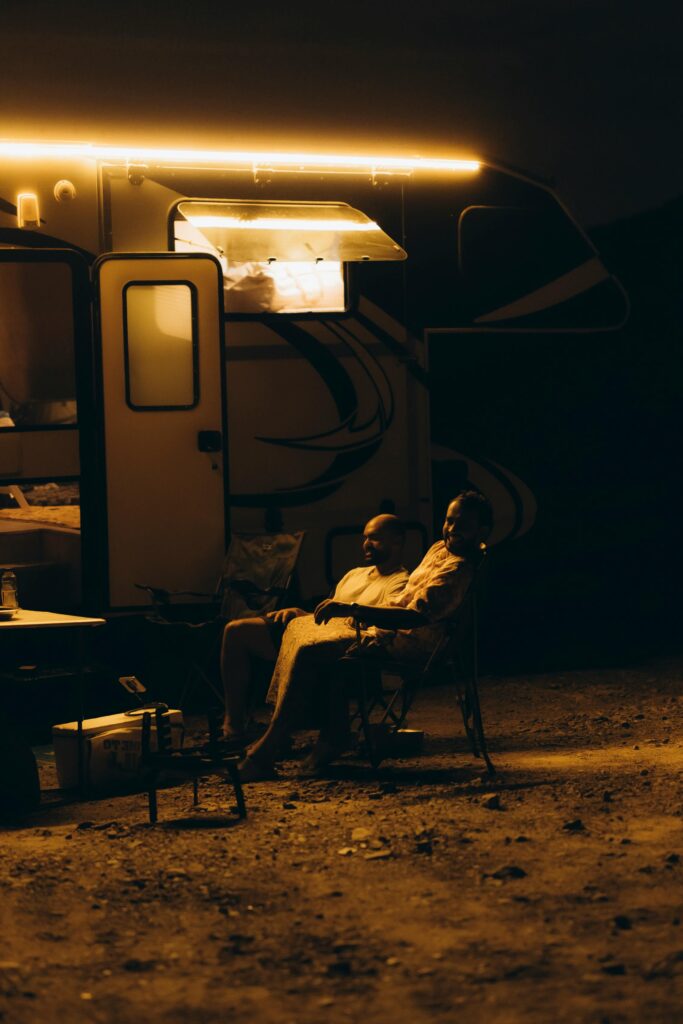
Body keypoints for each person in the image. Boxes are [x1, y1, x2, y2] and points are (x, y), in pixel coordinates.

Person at [238, 491, 493, 780]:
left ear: (482, 530)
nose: (452, 529)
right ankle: (322, 732)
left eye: (463, 524)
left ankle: (271, 747)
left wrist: (355, 610)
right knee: (300, 628)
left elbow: (415, 617)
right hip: (386, 627)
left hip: (408, 642)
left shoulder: (459, 568)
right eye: (449, 520)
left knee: (311, 649)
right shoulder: (440, 548)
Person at [221, 514, 408, 747]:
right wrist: (302, 613)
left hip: (335, 646)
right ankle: (234, 727)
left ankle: (279, 732)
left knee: (303, 649)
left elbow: (376, 623)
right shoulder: (355, 574)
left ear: (397, 542)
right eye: (365, 538)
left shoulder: (399, 583)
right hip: (311, 629)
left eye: (375, 538)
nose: (366, 544)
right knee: (236, 632)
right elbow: (328, 613)